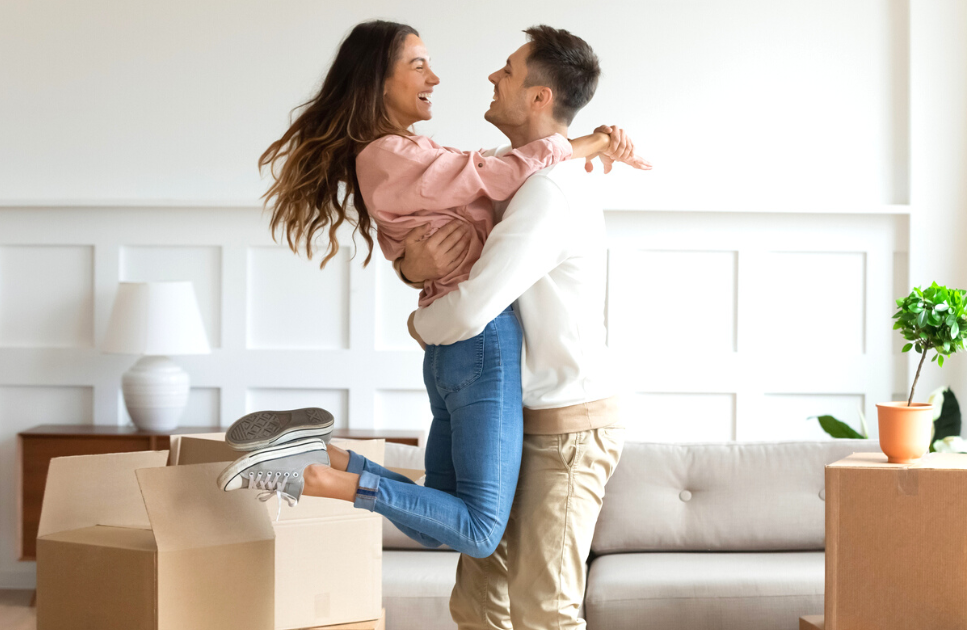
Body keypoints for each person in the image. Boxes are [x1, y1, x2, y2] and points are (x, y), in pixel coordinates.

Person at [213, 20, 645, 561]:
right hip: (481, 344)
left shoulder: (408, 154)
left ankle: (322, 457)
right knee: (480, 531)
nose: (435, 77)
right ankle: (322, 478)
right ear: (378, 81)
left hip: (457, 352)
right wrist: (594, 140)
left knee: (435, 521)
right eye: (418, 65)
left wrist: (413, 273)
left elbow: (479, 191)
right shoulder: (392, 154)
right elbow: (496, 173)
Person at [400, 26, 628, 630]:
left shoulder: (549, 193)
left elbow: (471, 307)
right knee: (479, 606)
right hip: (506, 420)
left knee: (543, 614)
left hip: (564, 433)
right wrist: (410, 266)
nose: (493, 78)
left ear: (537, 96)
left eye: (507, 69)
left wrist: (419, 324)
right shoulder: (515, 174)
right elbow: (435, 248)